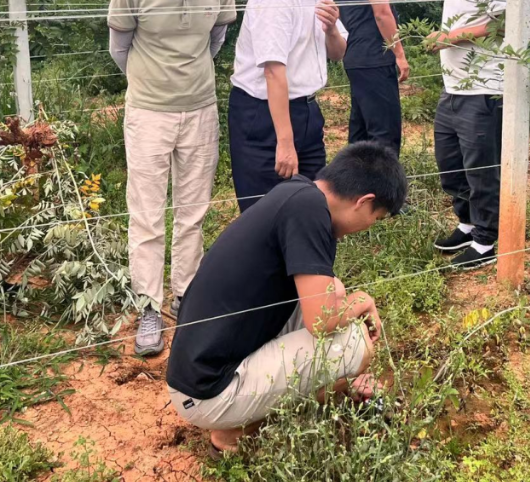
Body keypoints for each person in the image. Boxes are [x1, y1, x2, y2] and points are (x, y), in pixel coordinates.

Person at [166, 142, 407, 454]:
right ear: (364, 201)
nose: (367, 228)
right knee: (355, 345)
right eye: (375, 218)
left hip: (199, 368)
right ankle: (231, 435)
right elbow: (321, 321)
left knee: (334, 290)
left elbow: (324, 297)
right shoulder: (310, 213)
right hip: (208, 392)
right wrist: (363, 301)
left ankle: (263, 401)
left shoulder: (300, 193)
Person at [107, 0, 236, 358]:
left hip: (200, 109)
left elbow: (216, 37)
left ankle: (185, 294)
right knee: (145, 212)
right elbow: (119, 49)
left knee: (193, 208)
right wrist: (151, 82)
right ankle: (148, 305)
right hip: (148, 114)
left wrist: (189, 78)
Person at [228, 0, 359, 212]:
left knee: (311, 208)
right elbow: (274, 72)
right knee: (264, 215)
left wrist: (330, 30)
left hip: (307, 112)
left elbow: (338, 52)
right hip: (264, 117)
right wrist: (284, 143)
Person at [420, 0, 506, 269]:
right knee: (450, 162)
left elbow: (503, 22)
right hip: (453, 84)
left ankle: (487, 240)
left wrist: (450, 37)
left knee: (481, 167)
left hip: (483, 85)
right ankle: (468, 223)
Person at [334, 0, 409, 153]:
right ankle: (384, 190)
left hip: (355, 57)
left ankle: (354, 188)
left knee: (360, 135)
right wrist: (399, 53)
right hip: (375, 58)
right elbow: (382, 13)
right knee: (384, 137)